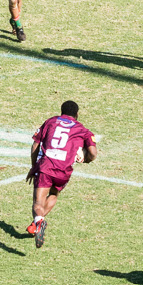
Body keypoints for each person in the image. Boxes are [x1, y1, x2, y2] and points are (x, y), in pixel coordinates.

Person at [25, 100, 98, 249]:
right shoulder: (83, 130)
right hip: (64, 170)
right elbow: (93, 154)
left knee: (38, 203)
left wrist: (34, 167)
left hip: (46, 167)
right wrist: (86, 159)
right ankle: (37, 223)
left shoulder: (50, 122)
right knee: (54, 194)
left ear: (61, 111)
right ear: (77, 114)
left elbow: (35, 145)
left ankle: (39, 221)